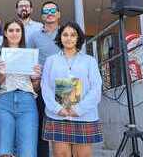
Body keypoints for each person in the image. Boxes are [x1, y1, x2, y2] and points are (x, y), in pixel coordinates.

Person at [41, 21, 103, 157]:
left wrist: (79, 109)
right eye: (65, 34)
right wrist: (58, 109)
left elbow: (96, 88)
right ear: (60, 37)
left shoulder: (89, 61)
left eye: (73, 35)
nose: (69, 38)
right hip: (58, 115)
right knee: (61, 154)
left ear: (78, 38)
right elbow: (45, 87)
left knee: (83, 155)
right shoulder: (51, 60)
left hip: (84, 116)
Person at [0, 19, 41, 157]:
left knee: (28, 151)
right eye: (11, 30)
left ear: (22, 33)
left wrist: (35, 78)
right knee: (4, 150)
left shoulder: (30, 54)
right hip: (3, 99)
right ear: (5, 34)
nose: (14, 33)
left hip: (27, 100)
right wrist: (2, 74)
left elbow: (35, 87)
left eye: (18, 30)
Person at [30, 1, 62, 157]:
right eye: (46, 11)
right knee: (42, 128)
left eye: (52, 10)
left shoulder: (67, 33)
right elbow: (30, 60)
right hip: (42, 86)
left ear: (58, 14)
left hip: (65, 86)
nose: (49, 13)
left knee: (64, 128)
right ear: (42, 16)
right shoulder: (34, 36)